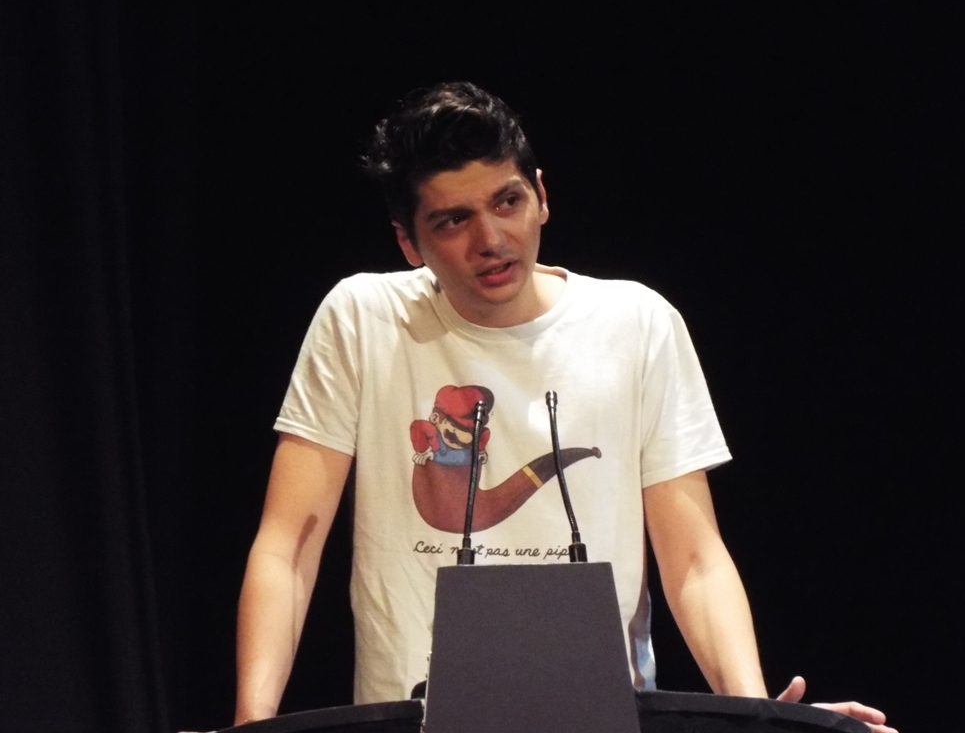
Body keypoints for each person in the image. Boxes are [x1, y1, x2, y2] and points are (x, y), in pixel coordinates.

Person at [234, 82, 895, 732]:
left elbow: (693, 558)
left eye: (508, 201)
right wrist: (250, 725)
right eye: (453, 220)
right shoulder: (362, 320)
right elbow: (288, 546)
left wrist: (759, 719)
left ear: (542, 196)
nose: (491, 238)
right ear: (409, 243)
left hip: (602, 718)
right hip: (419, 719)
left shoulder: (636, 323)